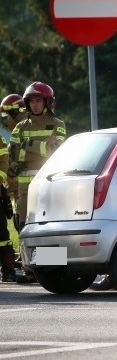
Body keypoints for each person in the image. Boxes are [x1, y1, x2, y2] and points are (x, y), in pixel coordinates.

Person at [10, 82, 66, 281]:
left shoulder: (58, 125)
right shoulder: (19, 127)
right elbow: (14, 154)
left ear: (47, 102)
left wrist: (28, 145)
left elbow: (56, 152)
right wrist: (42, 146)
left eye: (38, 100)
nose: (34, 105)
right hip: (25, 189)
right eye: (31, 101)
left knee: (49, 228)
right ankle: (30, 269)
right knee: (24, 227)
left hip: (49, 186)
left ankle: (53, 269)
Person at [0, 94, 26, 282]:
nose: (4, 120)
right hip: (20, 192)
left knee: (29, 229)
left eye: (6, 115)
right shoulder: (17, 130)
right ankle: (29, 263)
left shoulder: (27, 128)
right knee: (21, 227)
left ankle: (45, 265)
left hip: (35, 193)